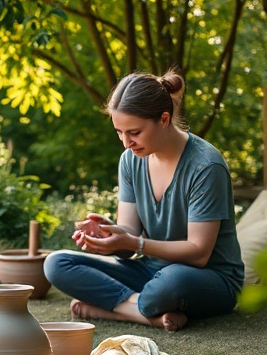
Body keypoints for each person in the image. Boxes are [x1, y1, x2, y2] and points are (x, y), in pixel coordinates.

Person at [44, 69, 243, 332]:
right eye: (119, 132)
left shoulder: (205, 166)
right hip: (149, 272)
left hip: (206, 279)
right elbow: (129, 239)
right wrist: (109, 235)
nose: (127, 143)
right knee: (56, 263)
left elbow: (199, 254)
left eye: (134, 132)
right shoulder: (130, 160)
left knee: (170, 283)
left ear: (164, 118)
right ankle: (146, 313)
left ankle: (111, 309)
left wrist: (134, 243)